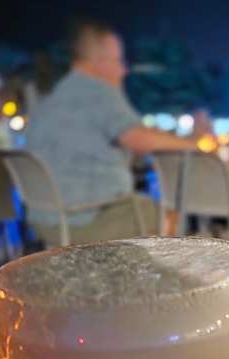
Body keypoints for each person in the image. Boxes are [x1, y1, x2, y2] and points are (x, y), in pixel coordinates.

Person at [26, 20, 195, 247]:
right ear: (97, 61)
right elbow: (139, 139)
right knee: (171, 217)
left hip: (45, 219)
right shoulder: (97, 90)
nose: (123, 70)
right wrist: (193, 146)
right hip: (85, 218)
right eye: (118, 60)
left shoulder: (50, 99)